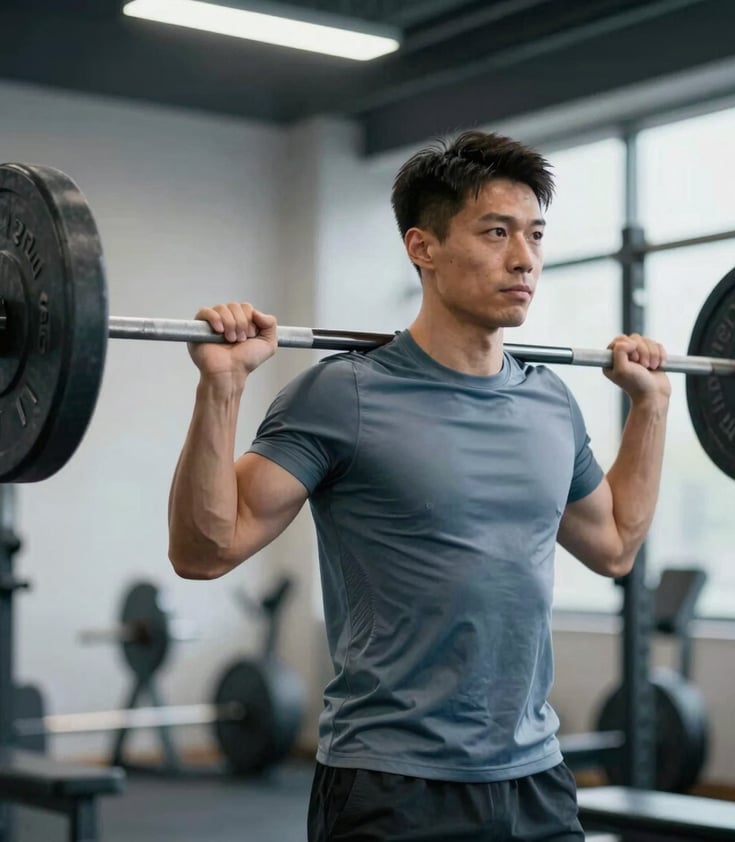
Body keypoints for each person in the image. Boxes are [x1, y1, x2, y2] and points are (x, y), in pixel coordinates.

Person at [167, 130, 670, 841]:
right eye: (495, 233)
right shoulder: (342, 396)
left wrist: (651, 407)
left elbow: (616, 545)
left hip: (535, 778)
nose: (524, 258)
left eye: (534, 235)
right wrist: (221, 389)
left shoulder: (551, 402)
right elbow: (204, 550)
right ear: (421, 247)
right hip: (391, 783)